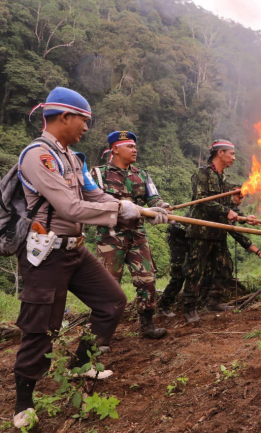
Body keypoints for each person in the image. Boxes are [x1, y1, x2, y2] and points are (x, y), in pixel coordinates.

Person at [11, 87, 161, 429]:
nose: (86, 128)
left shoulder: (72, 157)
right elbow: (70, 206)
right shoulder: (39, 156)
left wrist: (137, 209)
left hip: (75, 248)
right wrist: (121, 211)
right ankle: (23, 402)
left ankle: (81, 364)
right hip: (46, 253)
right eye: (84, 120)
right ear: (64, 117)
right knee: (40, 327)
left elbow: (94, 195)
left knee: (112, 301)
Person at [181, 139, 261, 323]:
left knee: (225, 267)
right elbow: (203, 200)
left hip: (218, 233)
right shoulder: (202, 174)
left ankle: (213, 302)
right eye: (231, 154)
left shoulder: (224, 180)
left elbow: (228, 206)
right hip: (200, 231)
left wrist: (244, 217)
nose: (233, 157)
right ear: (220, 153)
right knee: (194, 270)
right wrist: (227, 211)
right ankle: (189, 308)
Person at [92, 131, 169, 339]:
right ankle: (102, 333)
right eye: (130, 146)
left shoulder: (142, 174)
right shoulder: (98, 174)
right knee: (107, 285)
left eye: (135, 146)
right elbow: (93, 203)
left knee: (148, 279)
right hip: (110, 238)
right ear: (115, 149)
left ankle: (147, 325)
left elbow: (154, 201)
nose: (135, 150)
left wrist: (160, 209)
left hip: (137, 235)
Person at [157, 216, 189, 317]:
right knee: (178, 278)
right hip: (179, 250)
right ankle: (163, 306)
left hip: (187, 247)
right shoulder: (178, 227)